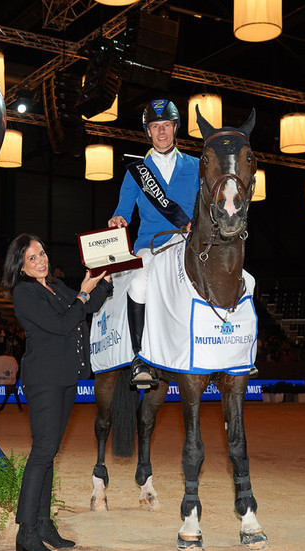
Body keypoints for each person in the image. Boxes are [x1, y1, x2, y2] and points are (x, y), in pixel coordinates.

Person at [1, 233, 112, 551]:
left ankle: (44, 524)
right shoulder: (24, 293)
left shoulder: (57, 286)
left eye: (42, 253)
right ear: (21, 266)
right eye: (32, 258)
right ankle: (26, 530)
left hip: (64, 379)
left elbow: (88, 305)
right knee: (42, 452)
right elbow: (63, 323)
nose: (41, 260)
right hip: (44, 381)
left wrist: (104, 278)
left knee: (49, 454)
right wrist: (82, 294)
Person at [108, 99, 199, 386]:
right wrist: (118, 219)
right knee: (138, 284)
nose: (161, 132)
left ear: (175, 128)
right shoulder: (137, 170)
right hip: (151, 243)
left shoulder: (196, 166)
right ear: (148, 132)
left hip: (188, 242)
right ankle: (140, 357)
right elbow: (124, 208)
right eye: (155, 126)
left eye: (167, 126)